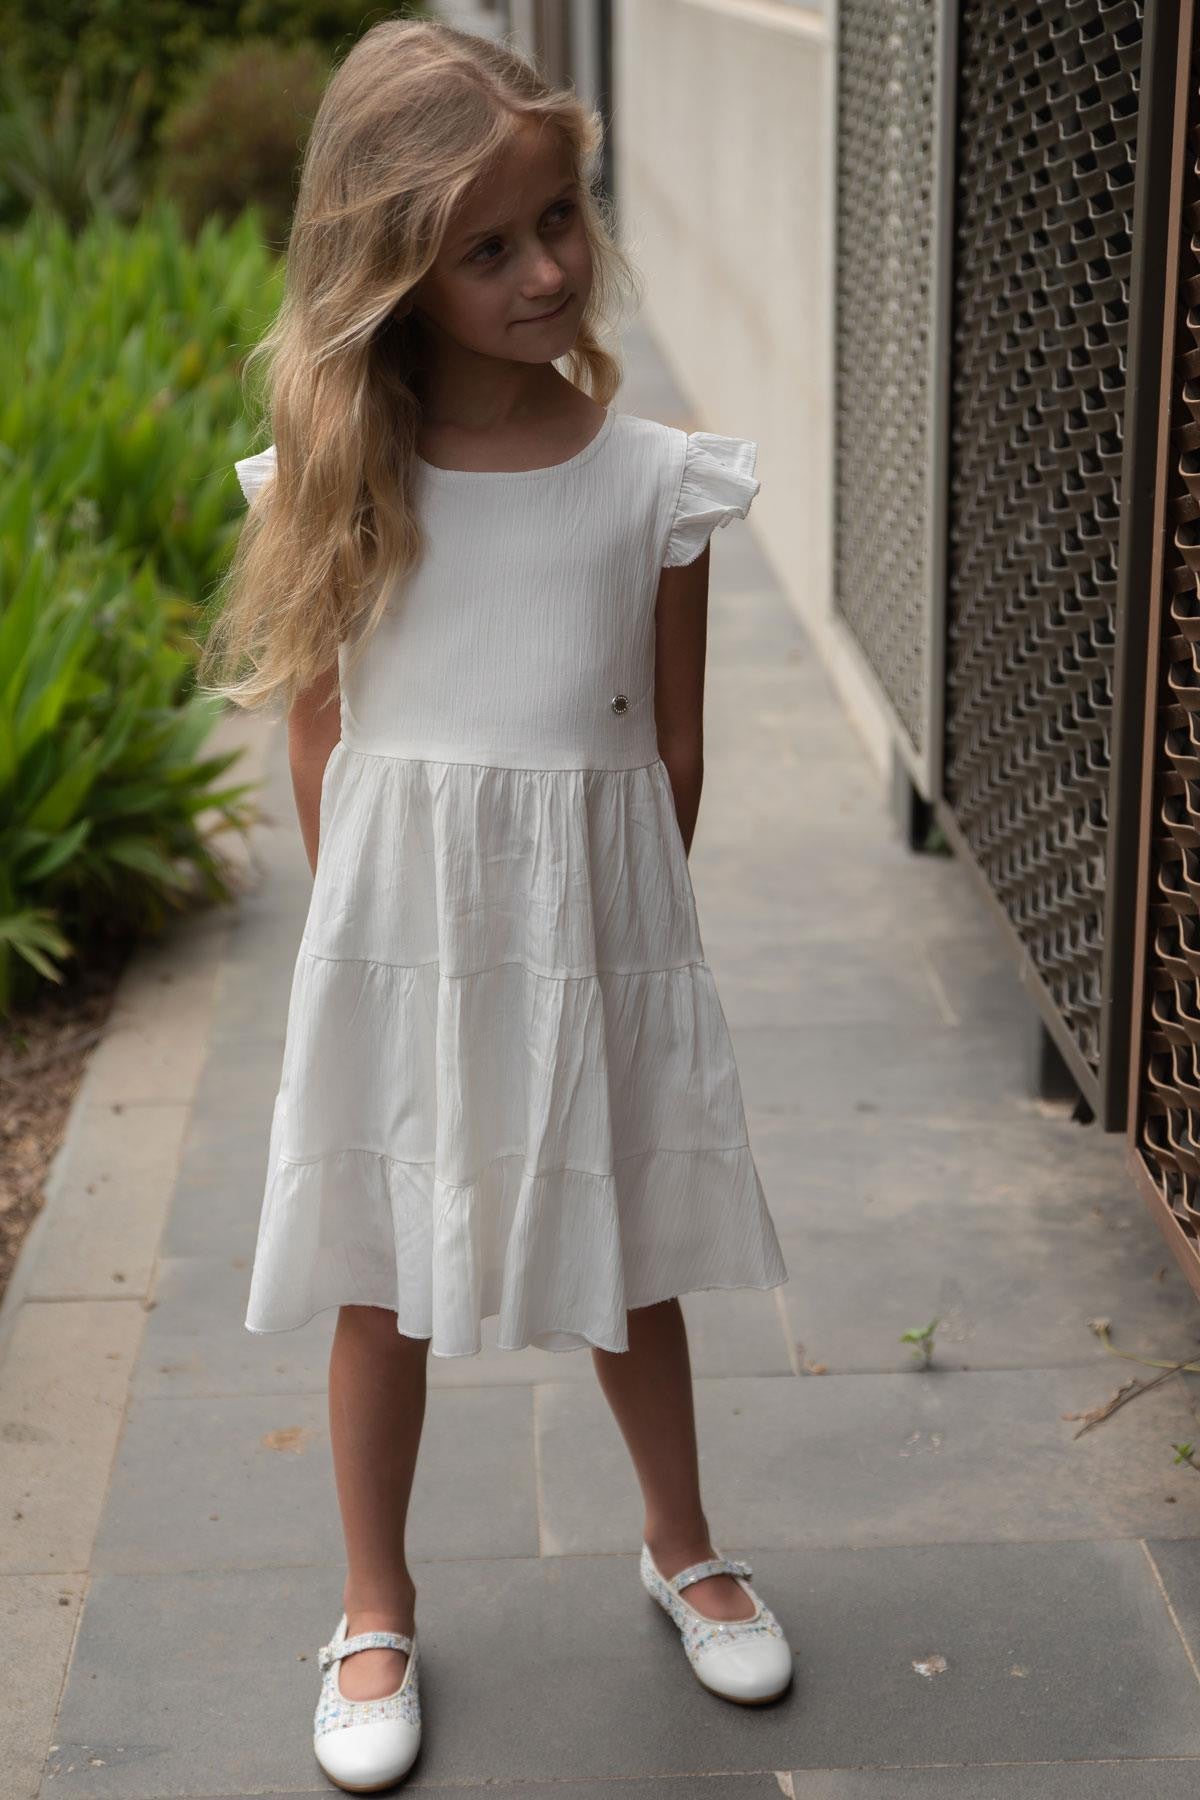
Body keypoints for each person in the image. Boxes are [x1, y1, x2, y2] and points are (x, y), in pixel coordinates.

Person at [198, 16, 792, 1793]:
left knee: (631, 1262)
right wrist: (379, 953)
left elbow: (670, 750)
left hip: (592, 952)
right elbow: (323, 733)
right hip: (406, 958)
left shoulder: (652, 480)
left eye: (559, 222)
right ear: (394, 270)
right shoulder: (346, 481)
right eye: (487, 248)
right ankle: (372, 1603)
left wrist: (610, 957)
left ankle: (681, 1541)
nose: (545, 269)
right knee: (380, 1276)